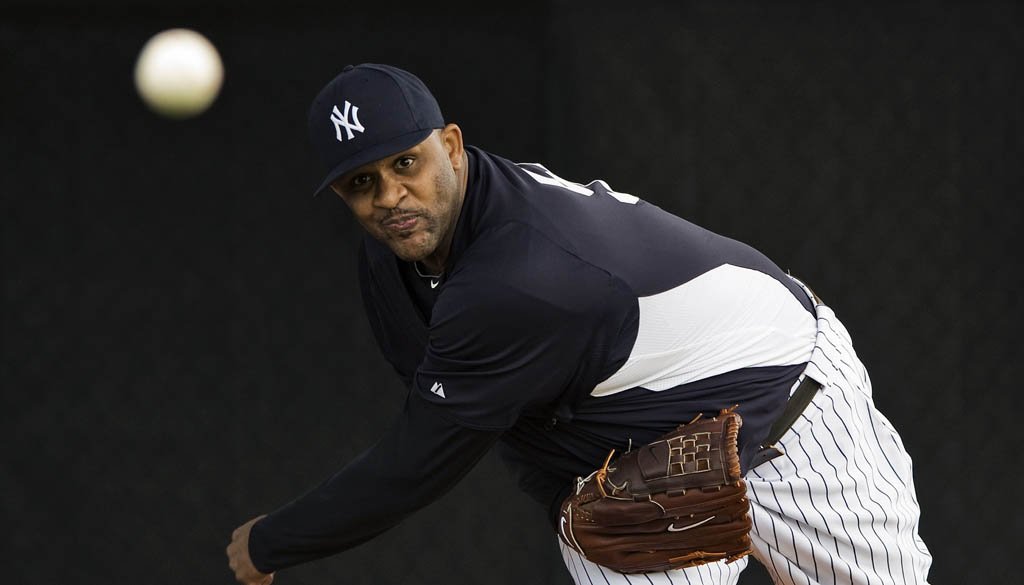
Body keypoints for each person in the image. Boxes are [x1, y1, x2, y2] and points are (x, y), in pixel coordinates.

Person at [226, 63, 932, 585]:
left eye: (405, 163)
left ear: (451, 144)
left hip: (792, 409)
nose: (389, 196)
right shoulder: (396, 266)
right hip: (644, 445)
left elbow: (416, 463)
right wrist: (569, 499)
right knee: (597, 525)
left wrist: (272, 542)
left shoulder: (518, 273)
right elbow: (499, 420)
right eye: (361, 183)